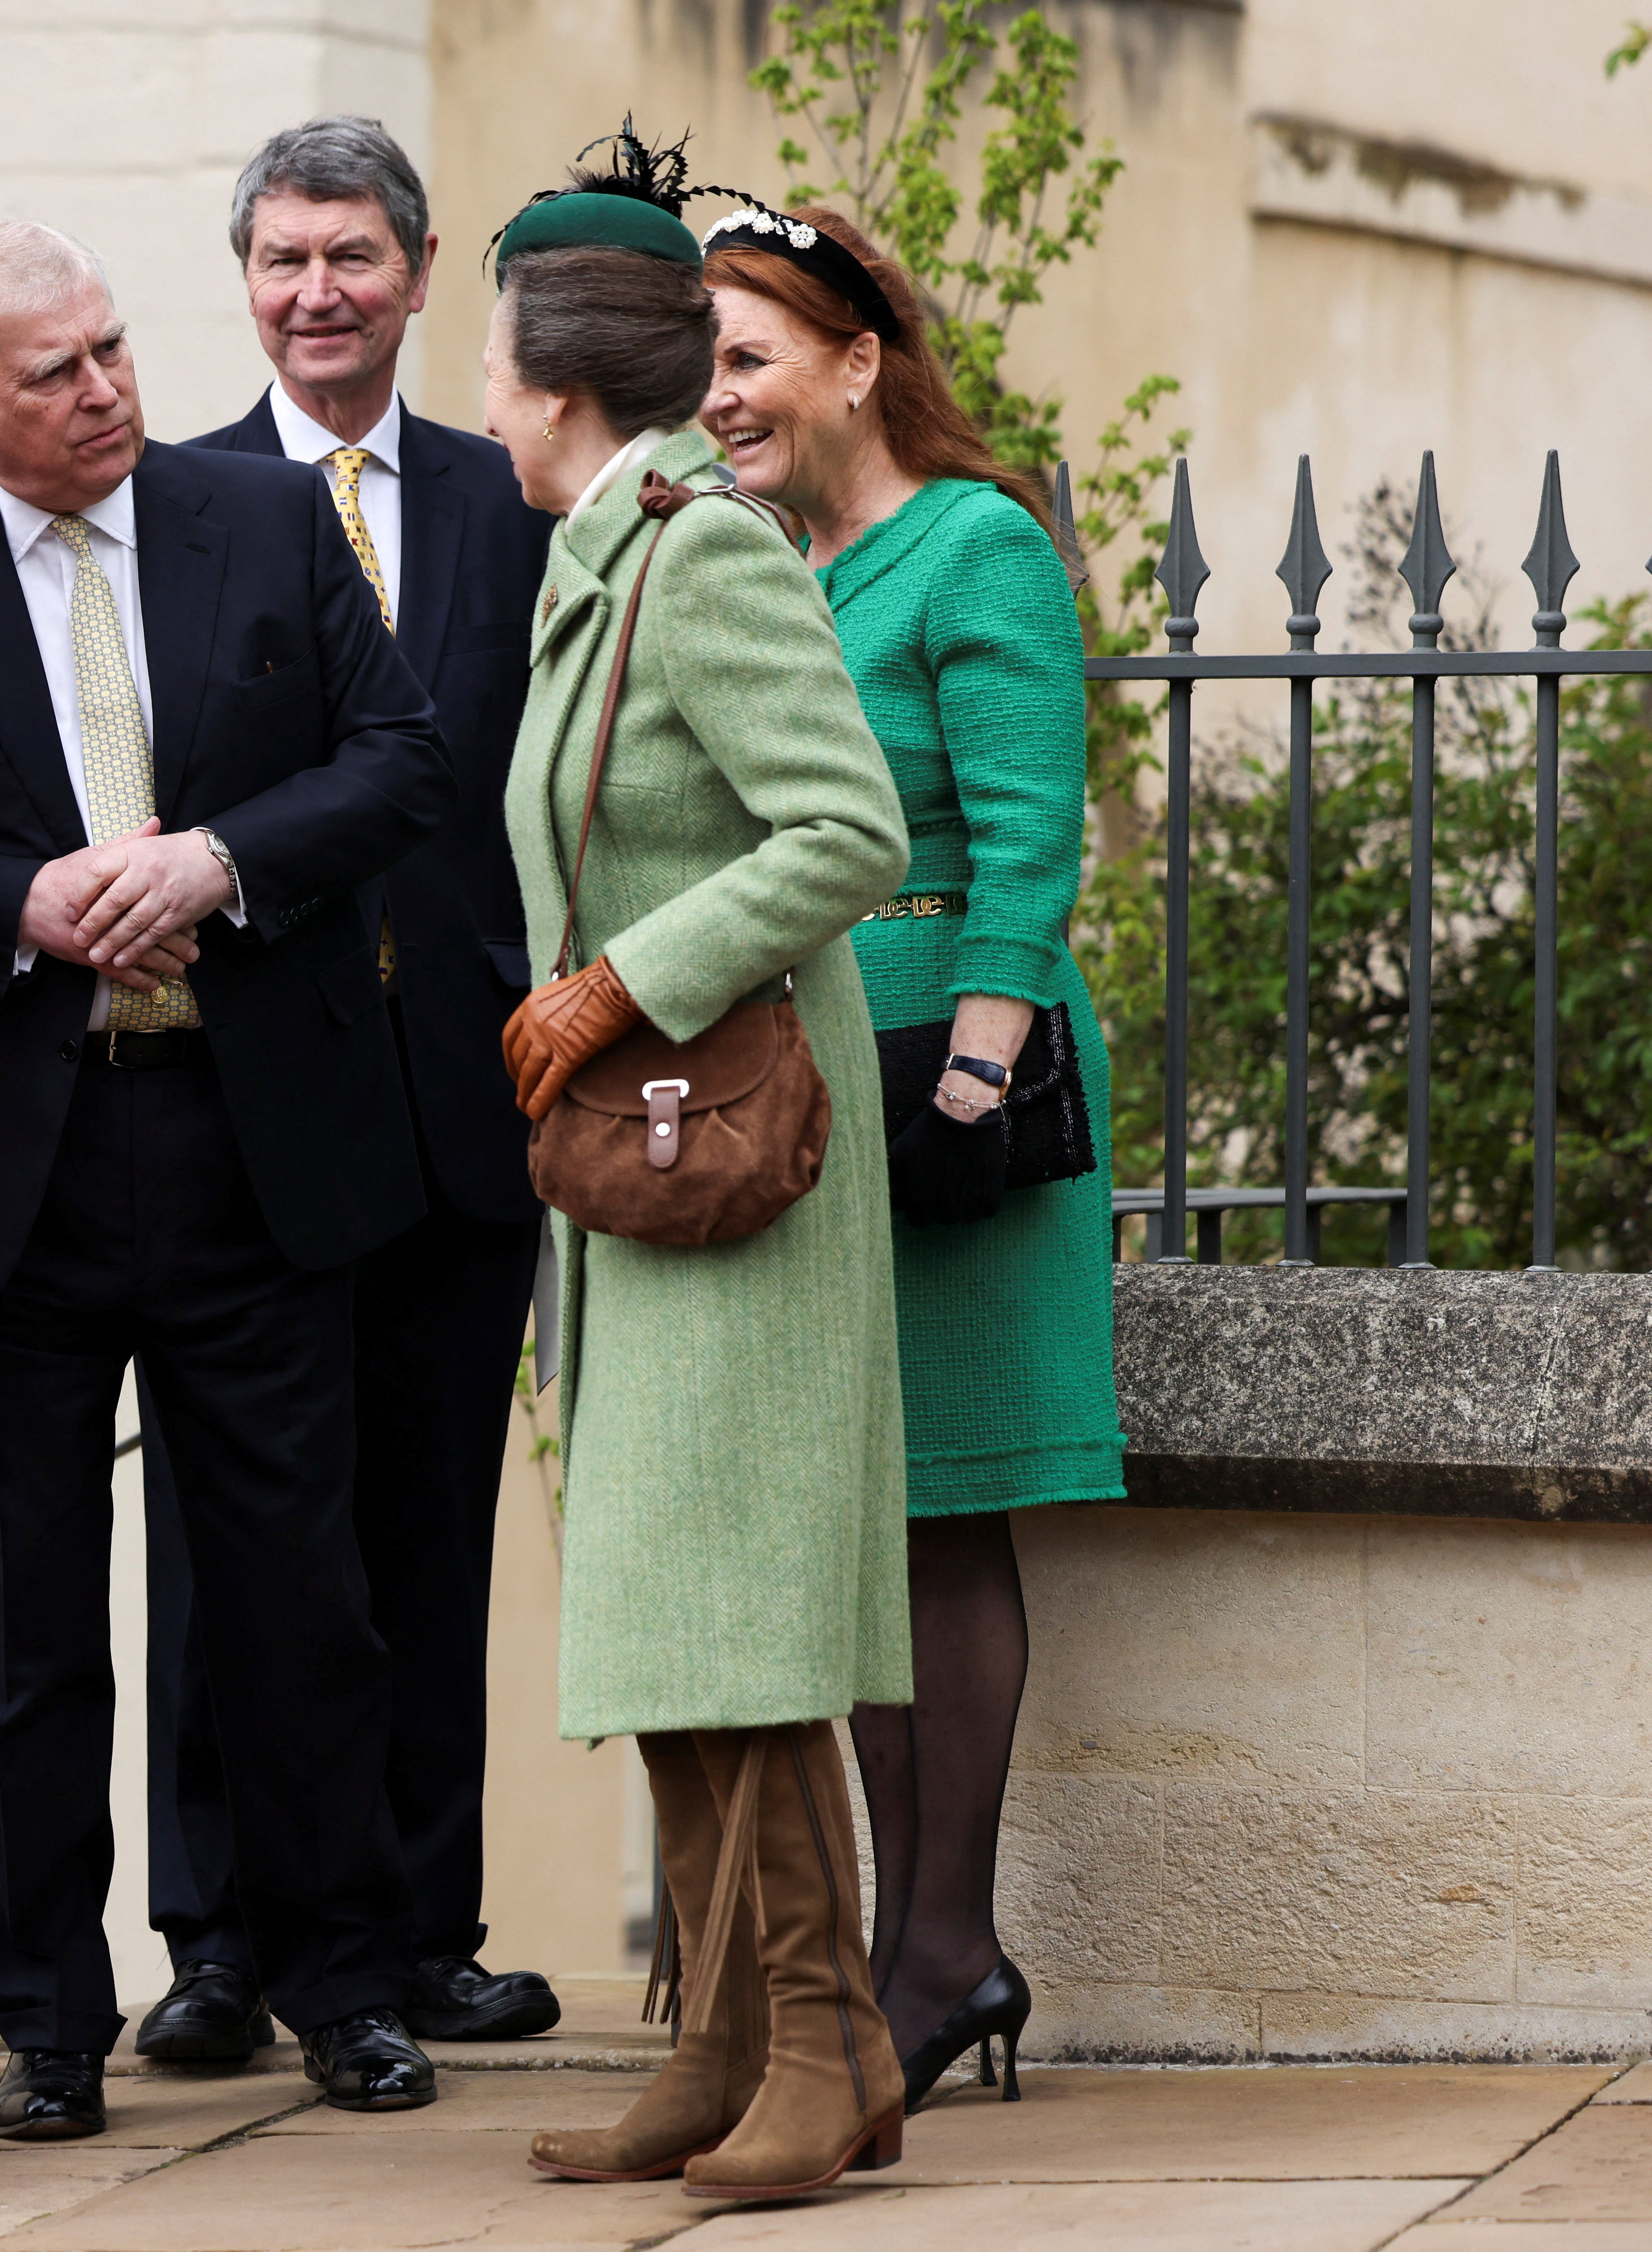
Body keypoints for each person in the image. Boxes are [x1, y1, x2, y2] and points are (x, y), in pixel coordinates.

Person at [0, 220, 457, 2139]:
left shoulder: (258, 518)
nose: (104, 390)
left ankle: (338, 1984)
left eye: (109, 352)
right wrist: (23, 901)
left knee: (292, 1595)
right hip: (17, 1157)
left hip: (254, 1139)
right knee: (14, 1625)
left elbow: (399, 760)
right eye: (54, 371)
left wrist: (215, 861)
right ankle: (48, 2024)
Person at [474, 135, 913, 2203]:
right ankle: (724, 2036)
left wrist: (613, 986)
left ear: (548, 375)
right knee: (666, 1606)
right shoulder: (596, 554)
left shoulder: (701, 549)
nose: (474, 395)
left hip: (743, 1157)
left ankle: (826, 2042)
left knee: (734, 1606)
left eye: (486, 355)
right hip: (645, 1177)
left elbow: (844, 830)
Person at [127, 115, 561, 2065]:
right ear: (243, 279)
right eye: (283, 258)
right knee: (232, 1535)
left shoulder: (509, 499)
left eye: (351, 258)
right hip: (239, 1100)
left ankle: (413, 1925)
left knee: (423, 1520)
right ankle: (217, 1940)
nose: (317, 292)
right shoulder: (164, 499)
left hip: (468, 1087)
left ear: (417, 269)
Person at [697, 198, 1123, 2113]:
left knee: (945, 1505)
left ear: (858, 359)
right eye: (704, 365)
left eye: (745, 358)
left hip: (950, 1072)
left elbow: (1032, 827)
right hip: (823, 1085)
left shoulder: (974, 540)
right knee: (867, 1517)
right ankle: (909, 1948)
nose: (717, 398)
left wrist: (971, 1073)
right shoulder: (788, 562)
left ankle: (943, 1942)